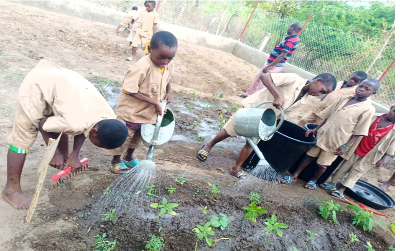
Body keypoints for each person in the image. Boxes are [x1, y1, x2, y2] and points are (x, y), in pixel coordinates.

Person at [2, 59, 128, 210]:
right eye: (98, 144)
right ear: (95, 132)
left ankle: (65, 156)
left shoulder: (107, 116)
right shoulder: (75, 121)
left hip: (62, 86)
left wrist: (74, 155)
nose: (96, 145)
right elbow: (43, 124)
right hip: (37, 86)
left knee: (65, 124)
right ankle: (11, 189)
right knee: (22, 140)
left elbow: (84, 128)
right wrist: (53, 153)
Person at [197, 72, 337, 179]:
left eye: (322, 94)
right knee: (230, 130)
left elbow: (285, 110)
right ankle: (209, 145)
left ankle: (236, 168)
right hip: (255, 107)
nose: (318, 94)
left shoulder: (305, 99)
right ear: (317, 81)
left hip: (267, 117)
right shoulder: (294, 79)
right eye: (322, 91)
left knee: (252, 143)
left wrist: (272, 123)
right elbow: (265, 76)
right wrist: (277, 95)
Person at [282, 79, 380, 190]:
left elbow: (359, 131)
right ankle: (295, 175)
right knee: (309, 156)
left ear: (373, 92)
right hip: (323, 134)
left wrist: (346, 146)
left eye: (367, 89)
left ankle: (314, 180)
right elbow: (328, 115)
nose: (361, 89)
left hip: (337, 141)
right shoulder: (344, 99)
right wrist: (317, 129)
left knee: (323, 164)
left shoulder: (368, 109)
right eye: (361, 86)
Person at [105, 31, 177, 173]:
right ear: (150, 49)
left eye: (169, 58)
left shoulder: (169, 64)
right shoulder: (142, 67)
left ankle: (129, 156)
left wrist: (169, 91)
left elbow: (169, 78)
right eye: (161, 57)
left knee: (140, 135)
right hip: (131, 111)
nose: (165, 62)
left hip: (147, 112)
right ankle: (115, 160)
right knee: (126, 136)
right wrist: (156, 103)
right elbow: (129, 89)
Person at [321, 105, 394, 198]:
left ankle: (341, 189)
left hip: (371, 154)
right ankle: (333, 183)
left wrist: (382, 159)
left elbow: (391, 146)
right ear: (391, 108)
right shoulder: (374, 116)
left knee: (357, 171)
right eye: (394, 111)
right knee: (344, 167)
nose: (394, 114)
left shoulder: (394, 130)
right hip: (357, 147)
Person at [237, 22, 302, 98]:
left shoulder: (291, 41)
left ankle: (254, 99)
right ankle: (248, 95)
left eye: (289, 28)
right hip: (272, 63)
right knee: (259, 77)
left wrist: (269, 66)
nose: (288, 29)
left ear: (292, 29)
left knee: (263, 82)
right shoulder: (294, 39)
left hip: (275, 65)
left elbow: (282, 56)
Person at [298, 71, 368, 127]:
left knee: (317, 127)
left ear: (360, 83)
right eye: (352, 78)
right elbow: (329, 94)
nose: (352, 81)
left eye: (356, 81)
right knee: (303, 120)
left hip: (327, 114)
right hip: (319, 108)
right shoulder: (340, 83)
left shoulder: (353, 91)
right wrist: (322, 100)